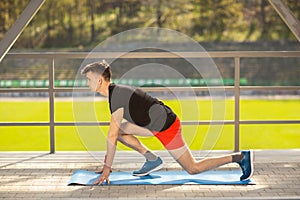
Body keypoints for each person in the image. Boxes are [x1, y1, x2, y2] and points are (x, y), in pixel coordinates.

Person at [80, 60, 254, 185]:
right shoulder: (115, 93)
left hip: (167, 127)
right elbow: (115, 132)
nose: (87, 83)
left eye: (89, 79)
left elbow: (111, 135)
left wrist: (106, 169)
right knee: (119, 131)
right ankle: (152, 159)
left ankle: (240, 157)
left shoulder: (116, 95)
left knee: (193, 168)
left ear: (100, 80)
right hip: (152, 125)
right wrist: (106, 166)